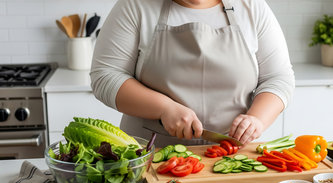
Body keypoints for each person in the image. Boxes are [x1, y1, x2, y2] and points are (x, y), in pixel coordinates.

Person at [90, 0, 295, 147]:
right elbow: (106, 75)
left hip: (232, 154)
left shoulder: (252, 7)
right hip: (149, 154)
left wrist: (257, 119)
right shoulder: (135, 6)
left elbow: (278, 77)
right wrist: (164, 108)